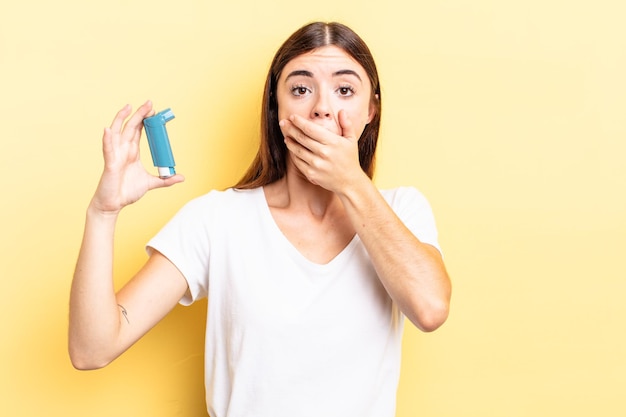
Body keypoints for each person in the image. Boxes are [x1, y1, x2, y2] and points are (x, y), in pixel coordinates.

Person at [69, 21, 451, 417]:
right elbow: (91, 349)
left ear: (370, 109)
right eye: (301, 89)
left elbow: (430, 309)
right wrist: (102, 212)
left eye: (345, 90)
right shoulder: (217, 220)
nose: (321, 106)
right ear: (276, 108)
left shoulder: (402, 211)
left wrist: (351, 182)